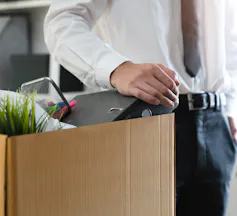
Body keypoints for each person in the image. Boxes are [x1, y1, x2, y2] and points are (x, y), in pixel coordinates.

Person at [44, 1, 237, 215]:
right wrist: (115, 68)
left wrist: (230, 106)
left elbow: (230, 37)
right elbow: (61, 21)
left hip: (217, 125)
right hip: (145, 120)